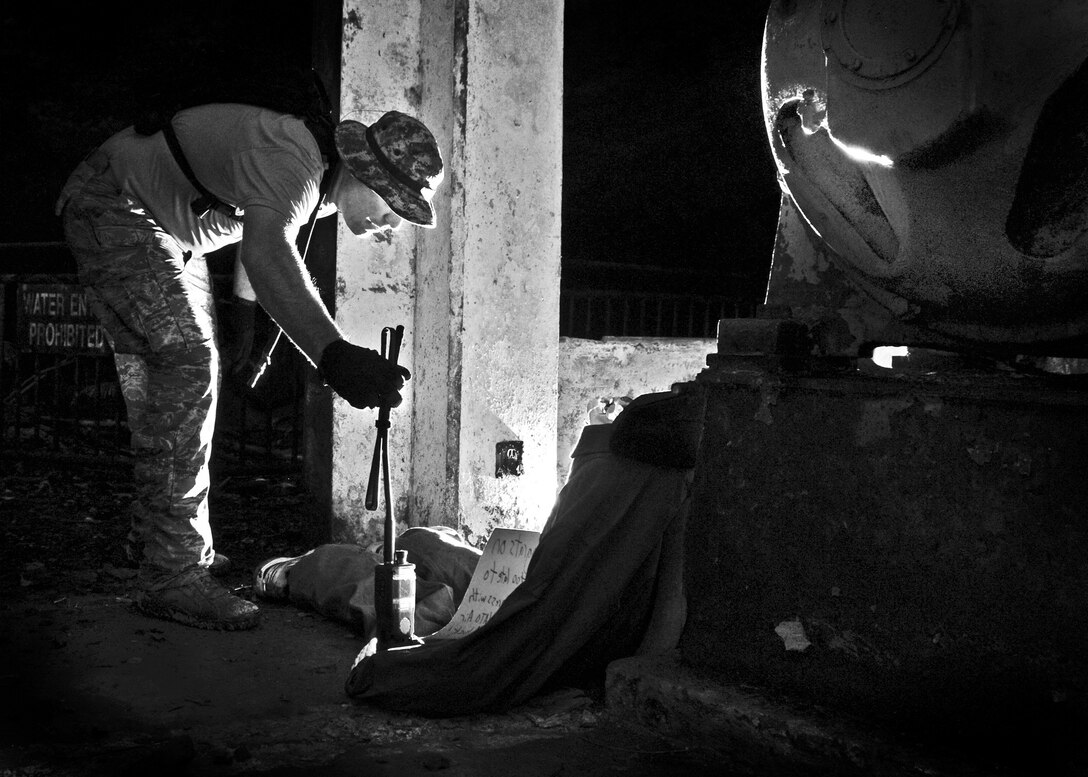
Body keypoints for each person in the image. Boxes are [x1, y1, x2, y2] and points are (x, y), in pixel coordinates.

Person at [54, 101, 444, 631]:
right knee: (188, 364)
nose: (392, 224)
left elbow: (256, 249)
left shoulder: (317, 186)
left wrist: (246, 332)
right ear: (361, 170)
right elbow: (266, 255)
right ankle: (171, 572)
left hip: (162, 230)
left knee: (177, 375)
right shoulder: (296, 161)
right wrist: (334, 356)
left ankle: (159, 541)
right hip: (117, 204)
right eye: (391, 203)